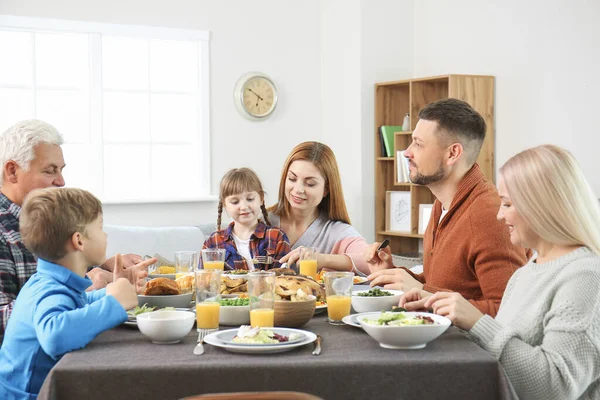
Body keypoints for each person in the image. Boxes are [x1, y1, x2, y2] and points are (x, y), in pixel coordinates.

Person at [399, 145, 600, 400]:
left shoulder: (586, 277)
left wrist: (476, 321)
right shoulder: (528, 271)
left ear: (540, 206)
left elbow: (556, 386)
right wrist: (436, 312)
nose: (498, 215)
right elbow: (502, 347)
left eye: (506, 204)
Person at [365, 98, 529, 316]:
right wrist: (393, 275)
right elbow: (444, 285)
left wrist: (422, 291)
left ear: (452, 153)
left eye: (418, 143)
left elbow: (508, 312)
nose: (407, 152)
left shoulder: (489, 216)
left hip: (468, 349)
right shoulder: (443, 204)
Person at [0, 119, 154, 345]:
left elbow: (68, 277)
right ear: (13, 171)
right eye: (49, 170)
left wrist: (102, 269)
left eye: (61, 170)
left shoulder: (50, 216)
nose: (61, 181)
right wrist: (88, 286)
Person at [0, 187, 138, 398]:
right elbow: (54, 336)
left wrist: (110, 293)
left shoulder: (48, 281)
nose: (106, 234)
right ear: (79, 241)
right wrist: (114, 304)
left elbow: (76, 303)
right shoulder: (50, 290)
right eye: (100, 228)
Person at [270, 141, 370, 275]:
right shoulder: (260, 221)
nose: (298, 189)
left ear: (326, 189)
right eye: (292, 179)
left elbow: (370, 261)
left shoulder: (337, 232)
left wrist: (323, 259)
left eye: (310, 184)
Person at [203, 168, 291, 270]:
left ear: (261, 198)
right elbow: (203, 282)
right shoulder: (213, 242)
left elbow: (284, 278)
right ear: (225, 204)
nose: (244, 206)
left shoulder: (277, 237)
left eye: (250, 199)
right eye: (235, 202)